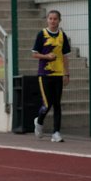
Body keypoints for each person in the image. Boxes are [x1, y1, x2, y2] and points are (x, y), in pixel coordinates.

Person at [32, 10, 71, 143]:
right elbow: (34, 54)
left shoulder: (62, 35)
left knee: (57, 104)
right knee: (47, 103)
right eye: (50, 18)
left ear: (59, 20)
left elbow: (65, 56)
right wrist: (46, 56)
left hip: (58, 74)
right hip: (44, 74)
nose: (53, 21)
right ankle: (39, 121)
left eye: (55, 19)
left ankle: (56, 132)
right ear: (47, 20)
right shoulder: (42, 34)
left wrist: (66, 73)